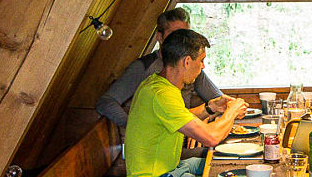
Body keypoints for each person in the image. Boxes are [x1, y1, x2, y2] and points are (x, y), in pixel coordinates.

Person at [125, 28, 248, 177]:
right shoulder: (162, 95)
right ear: (187, 61)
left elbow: (179, 117)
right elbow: (211, 137)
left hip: (167, 173)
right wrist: (232, 111)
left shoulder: (157, 84)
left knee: (222, 166)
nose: (203, 66)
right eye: (201, 60)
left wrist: (211, 107)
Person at [96, 7, 230, 127]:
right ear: (159, 37)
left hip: (183, 133)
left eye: (185, 35)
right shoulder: (144, 68)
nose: (180, 40)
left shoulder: (192, 67)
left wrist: (205, 118)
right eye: (174, 35)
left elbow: (219, 101)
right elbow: (106, 102)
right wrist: (135, 125)